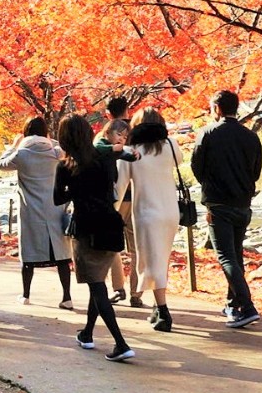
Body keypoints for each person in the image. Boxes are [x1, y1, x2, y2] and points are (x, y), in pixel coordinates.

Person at [53, 112, 133, 361]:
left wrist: (75, 189)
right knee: (96, 282)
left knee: (97, 286)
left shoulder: (66, 165)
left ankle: (121, 343)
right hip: (110, 222)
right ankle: (87, 334)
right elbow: (114, 181)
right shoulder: (106, 155)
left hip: (86, 227)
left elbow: (58, 198)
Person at [192, 88, 262, 328]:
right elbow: (256, 172)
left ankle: (247, 306)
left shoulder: (208, 133)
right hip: (243, 203)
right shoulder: (251, 136)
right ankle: (233, 305)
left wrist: (209, 185)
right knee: (235, 254)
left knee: (225, 256)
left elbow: (197, 167)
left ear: (217, 109)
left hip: (218, 202)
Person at [115, 107, 182, 332]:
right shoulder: (171, 145)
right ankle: (157, 307)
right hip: (170, 211)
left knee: (151, 262)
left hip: (146, 212)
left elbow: (120, 185)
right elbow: (178, 162)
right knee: (160, 259)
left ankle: (163, 312)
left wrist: (111, 210)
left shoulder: (130, 151)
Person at [0, 116, 71, 308]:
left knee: (29, 256)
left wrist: (14, 146)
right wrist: (49, 139)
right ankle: (66, 297)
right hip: (55, 207)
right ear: (46, 132)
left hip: (31, 210)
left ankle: (26, 294)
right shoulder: (56, 152)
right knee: (62, 254)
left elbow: (1, 164)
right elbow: (66, 149)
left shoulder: (21, 154)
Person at [96, 95, 145, 307]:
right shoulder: (138, 132)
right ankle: (137, 293)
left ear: (107, 113)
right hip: (137, 195)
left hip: (113, 197)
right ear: (127, 109)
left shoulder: (103, 135)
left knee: (111, 244)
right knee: (136, 247)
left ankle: (118, 288)